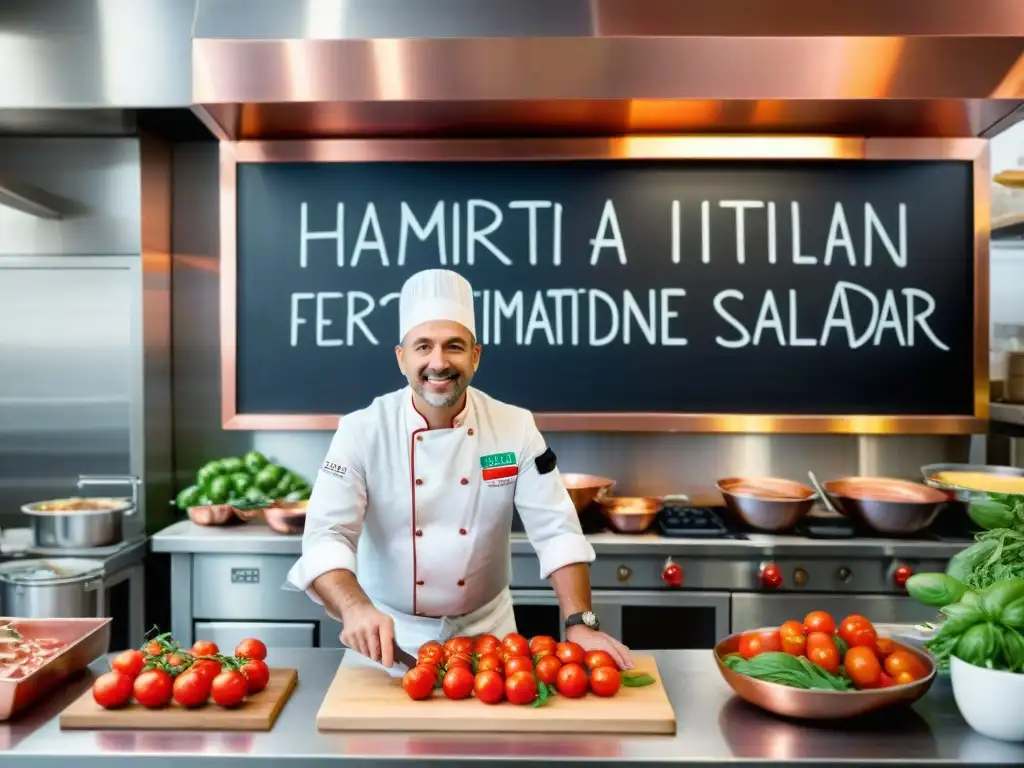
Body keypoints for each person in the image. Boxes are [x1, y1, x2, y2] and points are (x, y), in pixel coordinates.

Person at [285, 268, 633, 671]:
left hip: (491, 641)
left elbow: (556, 529)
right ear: (402, 358)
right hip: (385, 639)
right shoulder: (360, 431)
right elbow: (327, 535)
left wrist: (579, 622)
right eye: (423, 347)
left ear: (475, 356)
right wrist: (354, 608)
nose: (438, 362)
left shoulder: (514, 426)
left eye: (453, 346)